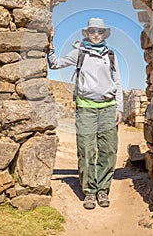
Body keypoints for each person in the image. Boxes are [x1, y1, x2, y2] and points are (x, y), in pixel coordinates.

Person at [47, 17, 123, 209]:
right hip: (86, 108)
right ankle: (89, 191)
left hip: (108, 108)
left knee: (108, 150)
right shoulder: (79, 53)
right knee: (87, 150)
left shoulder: (111, 55)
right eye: (92, 31)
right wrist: (50, 45)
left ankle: (103, 189)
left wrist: (120, 108)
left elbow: (118, 83)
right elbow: (55, 64)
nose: (96, 34)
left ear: (104, 34)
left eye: (99, 31)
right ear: (87, 34)